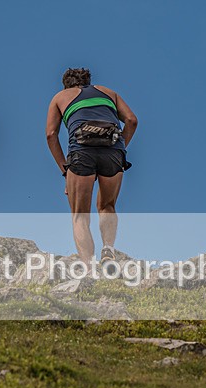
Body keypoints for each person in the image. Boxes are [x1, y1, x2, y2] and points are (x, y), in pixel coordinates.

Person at [45, 68, 138, 269]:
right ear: (88, 81)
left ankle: (88, 268)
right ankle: (108, 249)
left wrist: (65, 170)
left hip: (81, 151)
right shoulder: (109, 92)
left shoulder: (60, 97)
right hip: (112, 151)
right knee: (107, 206)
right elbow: (131, 120)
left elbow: (51, 135)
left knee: (80, 215)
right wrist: (119, 148)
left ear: (66, 85)